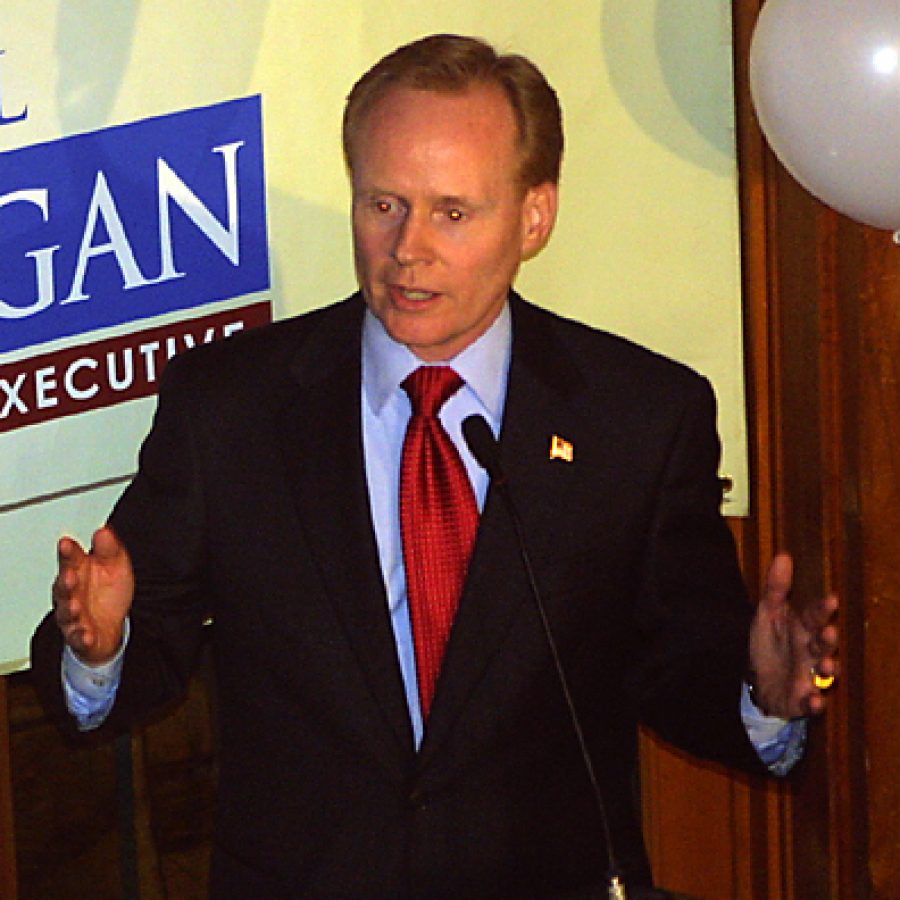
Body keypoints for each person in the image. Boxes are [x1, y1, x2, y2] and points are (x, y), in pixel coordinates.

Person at [31, 34, 838, 899]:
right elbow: (137, 644)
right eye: (383, 205)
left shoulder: (637, 418)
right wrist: (100, 646)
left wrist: (764, 691)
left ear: (535, 216)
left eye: (452, 212)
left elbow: (675, 662)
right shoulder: (232, 407)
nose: (406, 248)